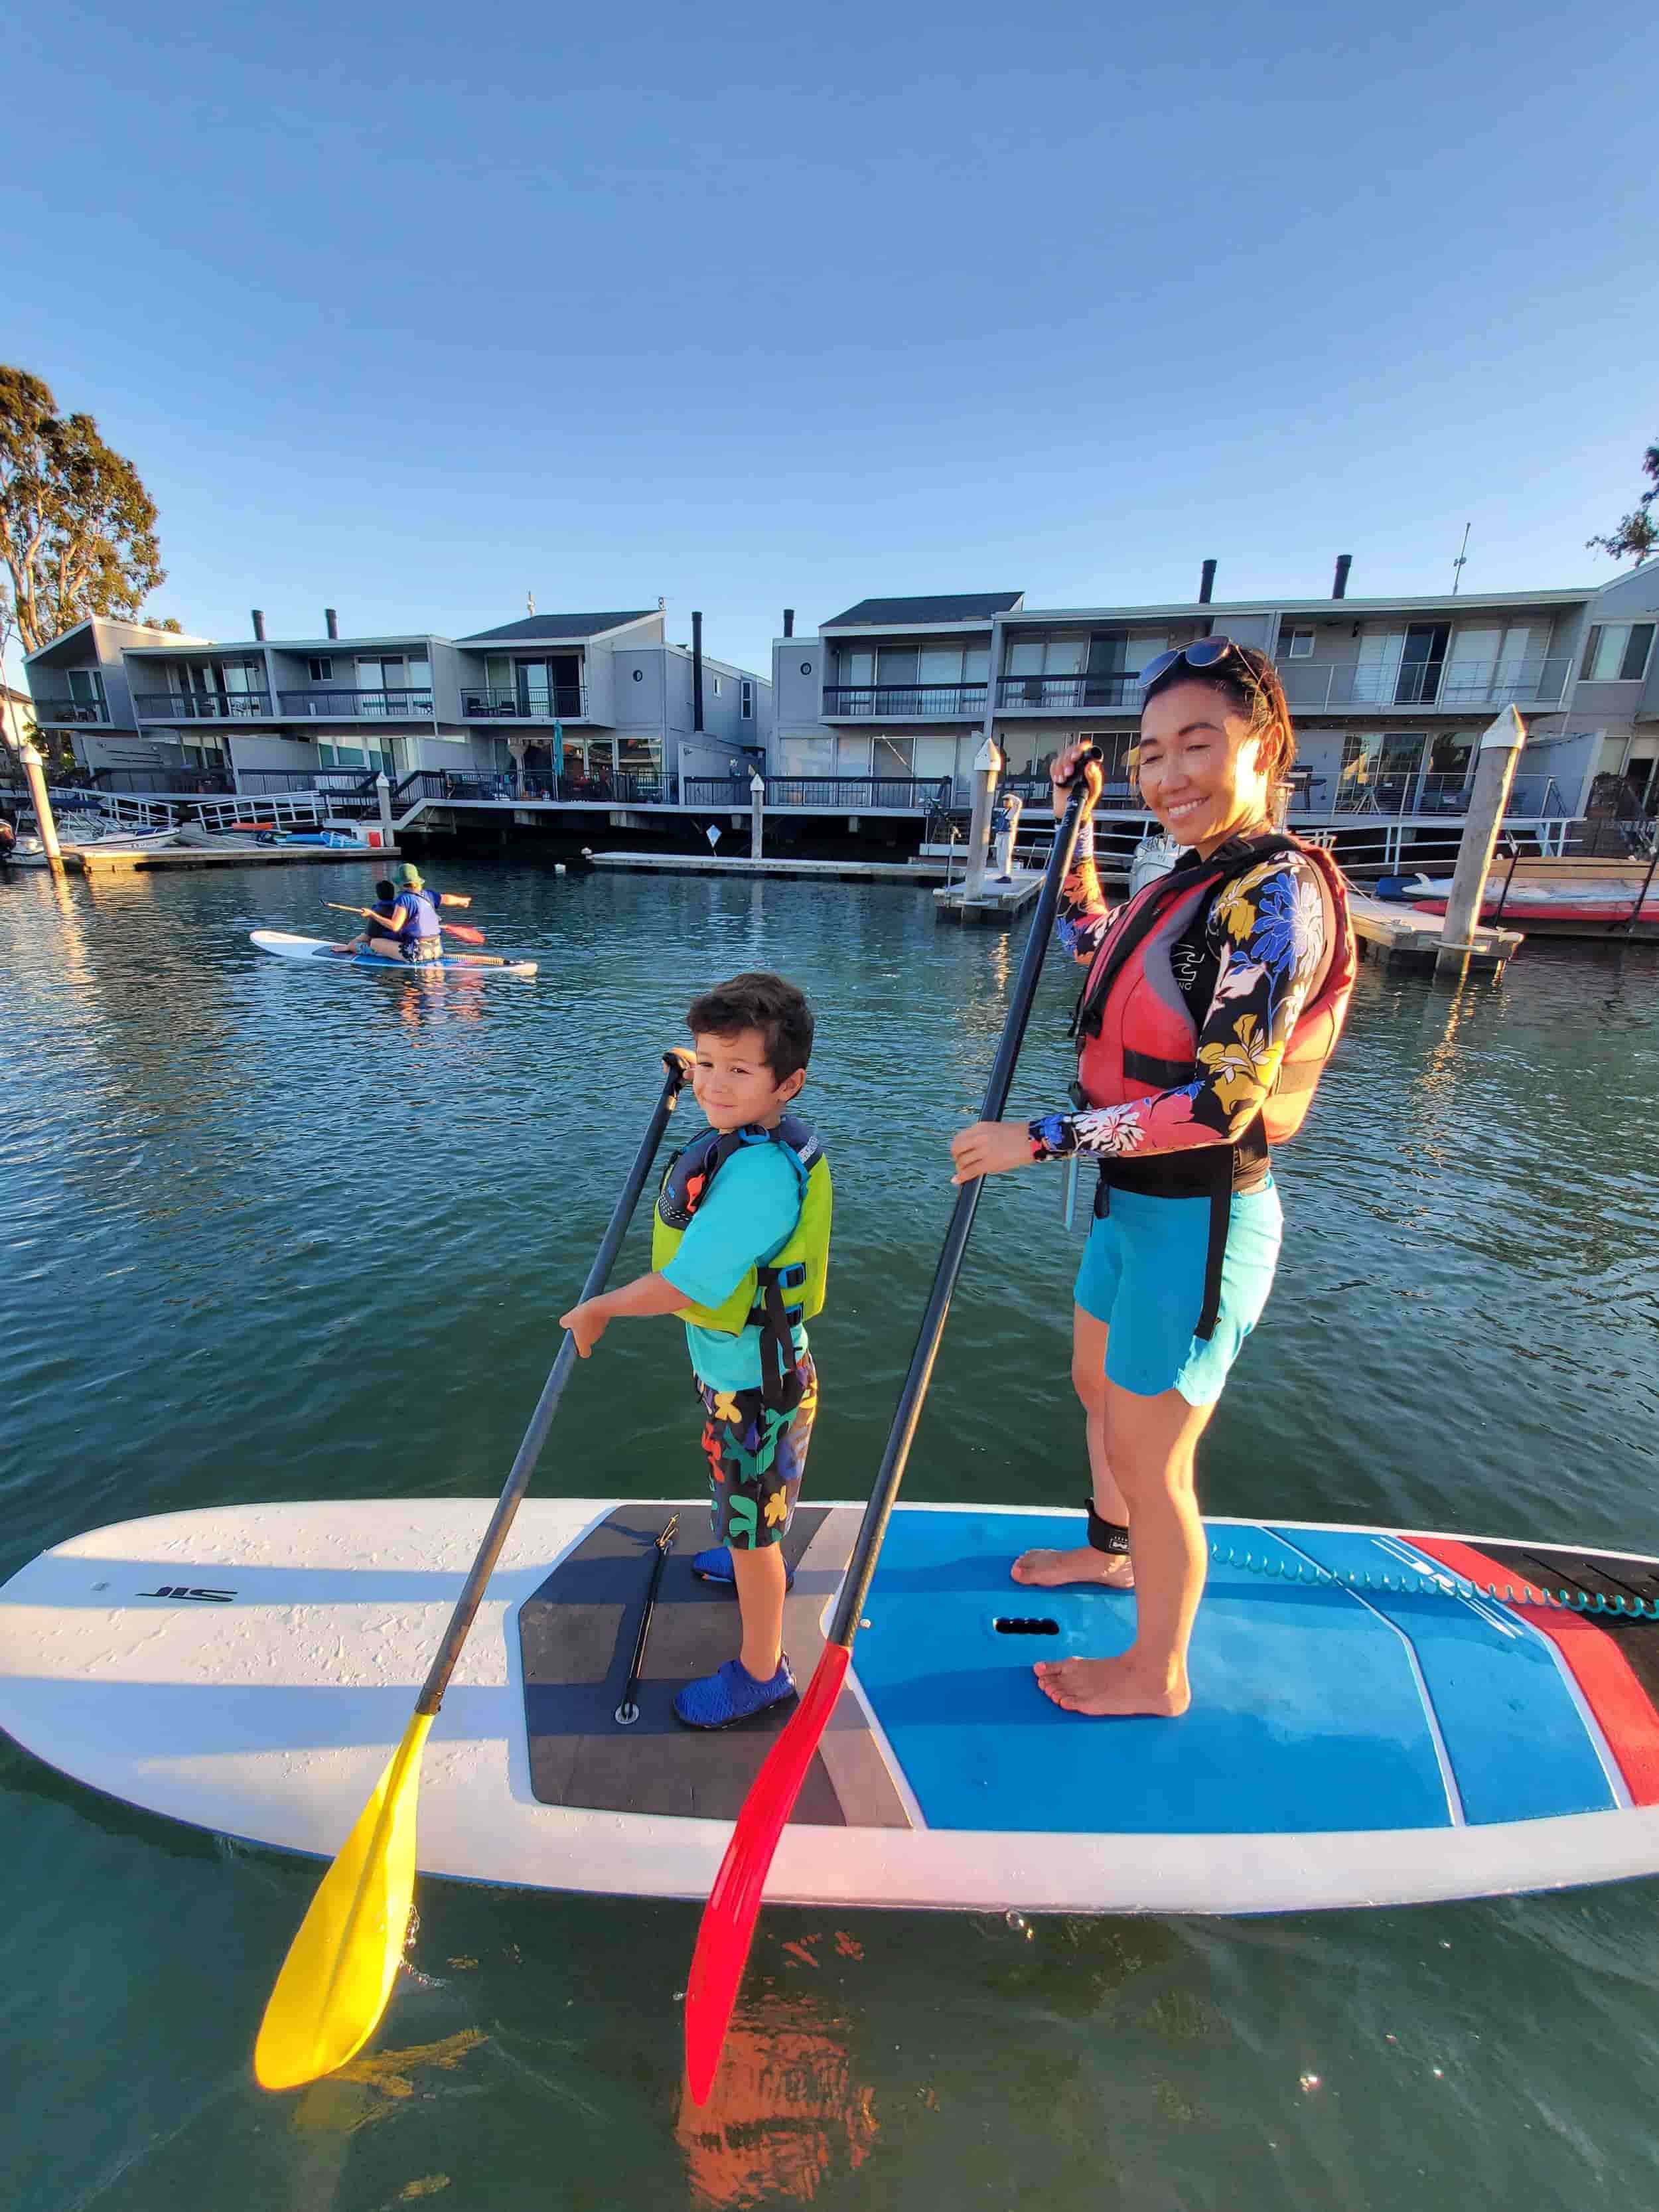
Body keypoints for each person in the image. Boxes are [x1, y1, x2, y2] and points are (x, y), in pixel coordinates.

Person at [948, 640, 1354, 1719]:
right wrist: (1070, 825)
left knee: (1153, 1447)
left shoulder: (1274, 898)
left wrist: (1038, 1137)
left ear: (1262, 746)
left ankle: (1157, 1671)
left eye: (1198, 744)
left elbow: (1223, 1102)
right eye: (1151, 753)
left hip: (1205, 1222)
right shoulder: (1188, 877)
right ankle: (1111, 1550)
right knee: (1097, 1391)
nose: (1169, 774)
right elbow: (1096, 939)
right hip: (1134, 1206)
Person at [560, 973, 831, 1730]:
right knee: (736, 1491)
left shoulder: (756, 1182)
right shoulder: (753, 1127)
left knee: (754, 1534)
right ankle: (743, 1543)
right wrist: (704, 1066)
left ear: (789, 1084)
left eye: (738, 1071)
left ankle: (761, 1673)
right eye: (707, 1065)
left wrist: (600, 1309)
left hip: (756, 1386)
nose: (714, 1085)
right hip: (734, 1371)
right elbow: (723, 1079)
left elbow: (685, 1284)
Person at [346, 863, 472, 964]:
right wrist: (462, 901)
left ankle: (370, 952)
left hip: (417, 954)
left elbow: (395, 926)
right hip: (437, 949)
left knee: (375, 943)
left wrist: (373, 915)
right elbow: (447, 899)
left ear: (400, 883)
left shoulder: (404, 899)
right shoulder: (428, 895)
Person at [991, 786, 1023, 882]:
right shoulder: (1003, 811)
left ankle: (1007, 875)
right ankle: (1002, 875)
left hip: (1008, 835)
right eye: (1004, 800)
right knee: (999, 857)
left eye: (1007, 800)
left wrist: (1011, 796)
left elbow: (1019, 803)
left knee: (1005, 856)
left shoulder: (1013, 811)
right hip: (1000, 835)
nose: (1005, 802)